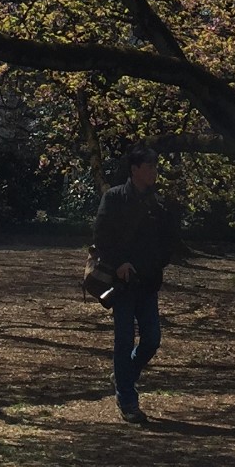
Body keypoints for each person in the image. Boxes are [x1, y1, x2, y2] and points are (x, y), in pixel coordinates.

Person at [90, 143, 182, 424]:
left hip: (149, 282)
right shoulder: (115, 198)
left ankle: (123, 374)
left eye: (156, 166)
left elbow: (168, 242)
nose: (155, 172)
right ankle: (127, 399)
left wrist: (156, 265)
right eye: (150, 166)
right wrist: (119, 263)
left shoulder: (160, 204)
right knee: (124, 339)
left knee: (152, 340)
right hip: (123, 283)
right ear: (134, 170)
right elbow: (102, 236)